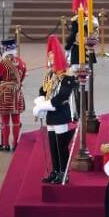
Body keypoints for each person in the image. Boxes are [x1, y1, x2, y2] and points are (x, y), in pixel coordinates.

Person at [33, 35, 78, 184]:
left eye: (53, 61)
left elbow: (62, 96)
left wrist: (44, 106)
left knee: (61, 145)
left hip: (61, 114)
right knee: (52, 144)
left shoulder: (67, 76)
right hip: (51, 115)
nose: (51, 64)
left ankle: (64, 172)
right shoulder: (50, 75)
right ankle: (55, 170)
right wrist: (40, 101)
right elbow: (43, 90)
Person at [0, 38, 27, 151]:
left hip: (5, 94)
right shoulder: (21, 62)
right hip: (16, 93)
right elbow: (22, 78)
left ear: (5, 49)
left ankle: (5, 144)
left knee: (5, 121)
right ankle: (15, 144)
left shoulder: (2, 64)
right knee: (16, 120)